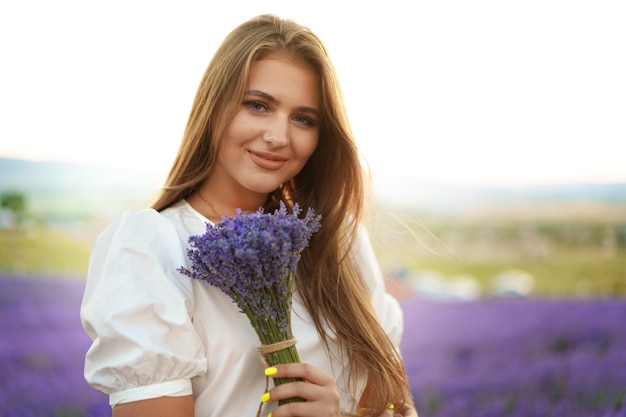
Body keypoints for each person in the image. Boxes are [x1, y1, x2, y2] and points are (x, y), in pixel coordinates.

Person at [81, 14, 418, 417]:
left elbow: (399, 409)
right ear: (214, 106)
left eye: (303, 118)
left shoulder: (339, 242)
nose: (279, 136)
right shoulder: (151, 248)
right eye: (258, 105)